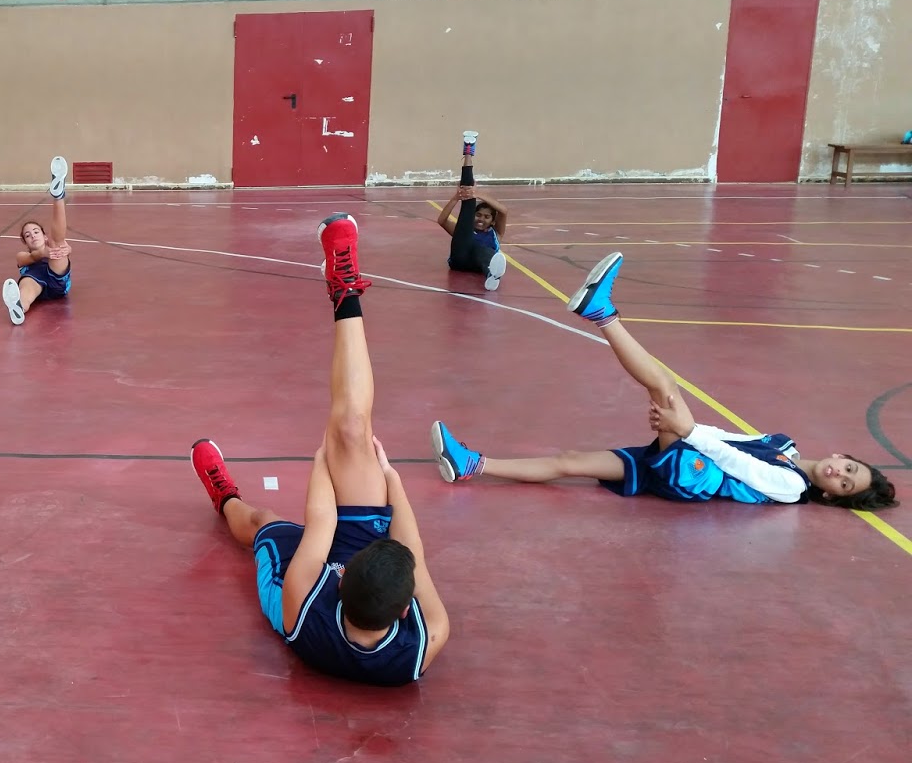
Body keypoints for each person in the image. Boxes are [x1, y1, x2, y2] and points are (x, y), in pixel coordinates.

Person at [189, 213, 449, 686]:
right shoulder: (427, 640)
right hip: (366, 589)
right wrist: (387, 478)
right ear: (405, 607)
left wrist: (322, 461)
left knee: (262, 522)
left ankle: (224, 497)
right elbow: (414, 550)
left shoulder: (303, 604)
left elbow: (323, 524)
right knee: (350, 429)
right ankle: (344, 289)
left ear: (341, 578)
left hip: (297, 590)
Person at [431, 251, 898, 510]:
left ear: (829, 495)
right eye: (849, 470)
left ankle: (601, 313)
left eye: (843, 486)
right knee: (570, 462)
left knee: (665, 387)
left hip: (692, 476)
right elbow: (730, 439)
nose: (839, 475)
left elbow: (736, 464)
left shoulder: (792, 487)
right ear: (843, 455)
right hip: (691, 455)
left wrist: (685, 428)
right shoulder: (785, 447)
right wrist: (686, 428)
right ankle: (472, 465)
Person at [2, 156, 73, 325]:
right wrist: (42, 253)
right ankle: (19, 308)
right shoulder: (22, 256)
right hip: (36, 280)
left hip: (57, 282)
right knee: (27, 286)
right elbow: (31, 257)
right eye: (28, 235)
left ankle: (58, 195)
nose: (33, 235)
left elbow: (60, 248)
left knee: (58, 245)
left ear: (44, 235)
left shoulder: (52, 245)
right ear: (25, 243)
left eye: (36, 232)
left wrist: (67, 249)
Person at [434, 130, 509, 291]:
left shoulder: (496, 234)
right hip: (459, 261)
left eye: (487, 217)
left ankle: (492, 276)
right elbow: (441, 221)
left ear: (493, 221)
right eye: (478, 215)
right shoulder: (464, 230)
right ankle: (468, 152)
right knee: (468, 200)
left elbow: (503, 211)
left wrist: (478, 193)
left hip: (479, 265)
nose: (481, 219)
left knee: (484, 251)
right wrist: (456, 197)